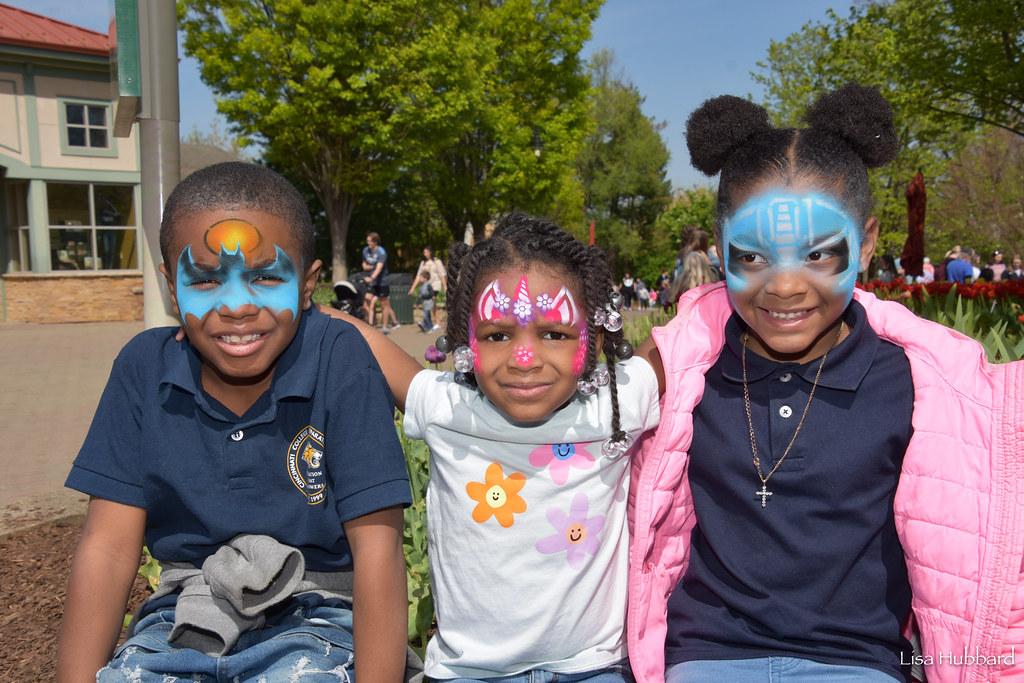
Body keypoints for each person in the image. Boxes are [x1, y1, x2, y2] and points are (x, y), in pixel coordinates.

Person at [626, 86, 1024, 683]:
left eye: (818, 255)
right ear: (720, 244)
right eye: (753, 258)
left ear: (866, 241)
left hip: (857, 662)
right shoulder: (680, 371)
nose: (785, 287)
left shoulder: (925, 386)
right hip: (705, 656)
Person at [56, 162, 412, 683]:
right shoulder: (143, 368)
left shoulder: (340, 361)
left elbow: (378, 548)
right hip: (181, 617)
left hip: (317, 618)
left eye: (267, 276)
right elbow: (108, 549)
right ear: (172, 290)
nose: (237, 306)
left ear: (307, 284)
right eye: (204, 279)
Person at [328, 213, 660, 681]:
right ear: (467, 339)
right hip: (469, 673)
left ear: (596, 338)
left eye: (555, 334)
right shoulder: (451, 409)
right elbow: (363, 341)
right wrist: (297, 304)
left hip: (593, 667)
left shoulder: (615, 406)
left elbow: (684, 336)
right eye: (498, 335)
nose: (525, 360)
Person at [362, 231, 399, 330]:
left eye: (369, 241)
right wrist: (369, 267)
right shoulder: (366, 250)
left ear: (375, 242)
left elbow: (379, 268)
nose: (368, 243)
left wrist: (371, 277)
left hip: (382, 282)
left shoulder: (381, 252)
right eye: (367, 241)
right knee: (367, 301)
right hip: (373, 283)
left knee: (384, 305)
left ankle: (385, 326)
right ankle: (371, 323)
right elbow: (364, 264)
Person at [409, 245, 447, 333]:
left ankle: (436, 323)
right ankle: (430, 323)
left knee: (433, 304)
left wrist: (445, 286)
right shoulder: (423, 263)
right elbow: (419, 276)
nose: (425, 254)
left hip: (435, 285)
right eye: (424, 252)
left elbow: (442, 274)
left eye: (426, 252)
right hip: (426, 287)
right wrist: (412, 288)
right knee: (428, 305)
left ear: (431, 252)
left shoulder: (437, 261)